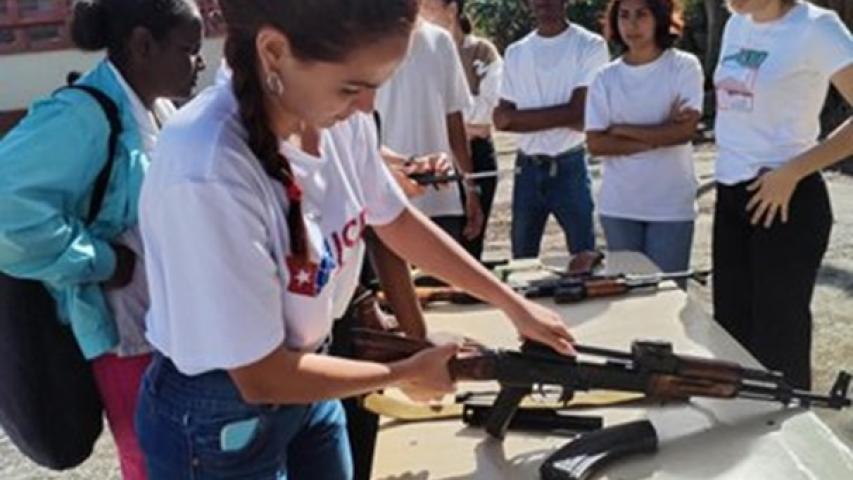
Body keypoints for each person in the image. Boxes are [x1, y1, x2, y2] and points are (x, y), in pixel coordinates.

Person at [134, 1, 575, 479]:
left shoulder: (335, 116)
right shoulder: (208, 169)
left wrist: (511, 303)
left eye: (376, 86)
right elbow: (260, 376)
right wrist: (405, 372)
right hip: (220, 416)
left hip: (310, 379)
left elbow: (394, 219)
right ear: (275, 51)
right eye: (352, 87)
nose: (367, 107)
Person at [0, 1, 205, 478]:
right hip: (122, 339)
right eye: (188, 50)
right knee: (154, 462)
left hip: (163, 330)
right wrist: (102, 262)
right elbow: (7, 210)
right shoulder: (85, 117)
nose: (199, 63)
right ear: (142, 44)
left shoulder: (157, 112)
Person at [713, 0, 853, 388]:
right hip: (732, 197)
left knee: (778, 345)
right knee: (732, 338)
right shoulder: (735, 25)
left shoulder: (816, 27)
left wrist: (792, 172)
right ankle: (743, 443)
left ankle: (786, 442)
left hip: (786, 200)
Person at [586, 0, 703, 279]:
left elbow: (683, 133)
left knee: (668, 297)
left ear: (660, 18)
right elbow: (597, 144)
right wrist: (660, 134)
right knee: (630, 304)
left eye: (642, 15)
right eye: (624, 16)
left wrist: (621, 129)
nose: (632, 24)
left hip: (671, 207)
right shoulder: (605, 78)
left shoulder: (684, 67)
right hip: (619, 207)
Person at [494, 0, 609, 259]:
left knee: (584, 258)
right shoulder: (516, 52)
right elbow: (501, 119)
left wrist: (519, 119)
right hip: (527, 168)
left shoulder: (589, 45)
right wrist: (564, 114)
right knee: (522, 261)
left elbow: (581, 115)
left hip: (569, 165)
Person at [376, 0, 484, 246]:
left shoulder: (441, 42)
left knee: (442, 285)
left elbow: (455, 124)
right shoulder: (366, 43)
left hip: (441, 198)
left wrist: (470, 189)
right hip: (387, 202)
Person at [421, 0, 504, 261]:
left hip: (475, 155)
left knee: (469, 245)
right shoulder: (416, 50)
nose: (422, 7)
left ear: (452, 7)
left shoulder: (482, 51)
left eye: (429, 2)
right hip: (434, 156)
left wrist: (446, 117)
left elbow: (486, 114)